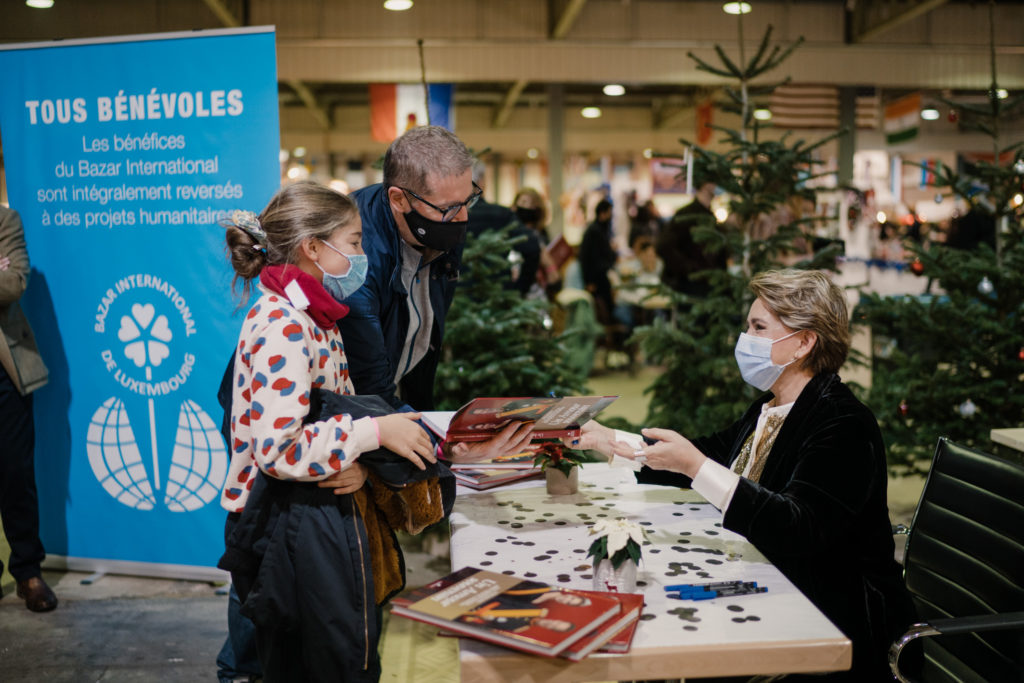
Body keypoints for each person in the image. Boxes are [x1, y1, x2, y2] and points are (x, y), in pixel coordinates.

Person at [577, 269, 916, 681]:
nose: (745, 339)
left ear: (804, 342)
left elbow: (797, 526)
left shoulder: (843, 423)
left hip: (833, 623)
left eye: (758, 327)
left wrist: (696, 466)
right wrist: (609, 440)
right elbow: (705, 455)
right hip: (772, 588)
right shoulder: (769, 408)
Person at [215, 182, 444, 683]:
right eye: (354, 242)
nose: (362, 255)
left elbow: (328, 418)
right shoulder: (284, 324)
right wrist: (373, 433)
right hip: (278, 524)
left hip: (308, 511)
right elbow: (280, 449)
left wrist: (356, 465)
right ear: (313, 248)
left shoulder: (314, 316)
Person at [339, 126, 533, 462]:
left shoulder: (440, 228)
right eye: (448, 208)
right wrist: (446, 449)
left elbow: (424, 335)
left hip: (391, 404)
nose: (463, 218)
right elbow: (368, 391)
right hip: (346, 424)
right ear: (399, 199)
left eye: (467, 200)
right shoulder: (355, 259)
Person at [0, 206, 57, 614]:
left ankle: (27, 571)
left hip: (5, 371)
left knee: (16, 473)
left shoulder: (5, 221)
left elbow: (14, 283)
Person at [467, 161, 540, 296]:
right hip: (497, 295)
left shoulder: (447, 216)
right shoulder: (501, 215)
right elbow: (532, 246)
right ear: (481, 182)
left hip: (456, 296)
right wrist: (519, 289)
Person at [656, 173, 727, 297]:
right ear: (704, 184)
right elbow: (663, 246)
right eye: (715, 181)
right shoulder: (686, 215)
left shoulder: (711, 216)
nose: (718, 185)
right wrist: (690, 270)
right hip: (690, 290)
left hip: (710, 289)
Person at [512, 187, 562, 299]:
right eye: (524, 202)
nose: (528, 208)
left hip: (539, 292)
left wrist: (550, 268)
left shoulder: (541, 234)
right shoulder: (511, 234)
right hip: (520, 293)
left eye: (532, 204)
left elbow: (554, 276)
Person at [578, 199, 617, 324]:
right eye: (609, 213)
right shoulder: (594, 231)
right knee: (602, 307)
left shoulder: (598, 230)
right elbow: (587, 258)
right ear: (603, 213)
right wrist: (589, 281)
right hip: (596, 277)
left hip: (599, 275)